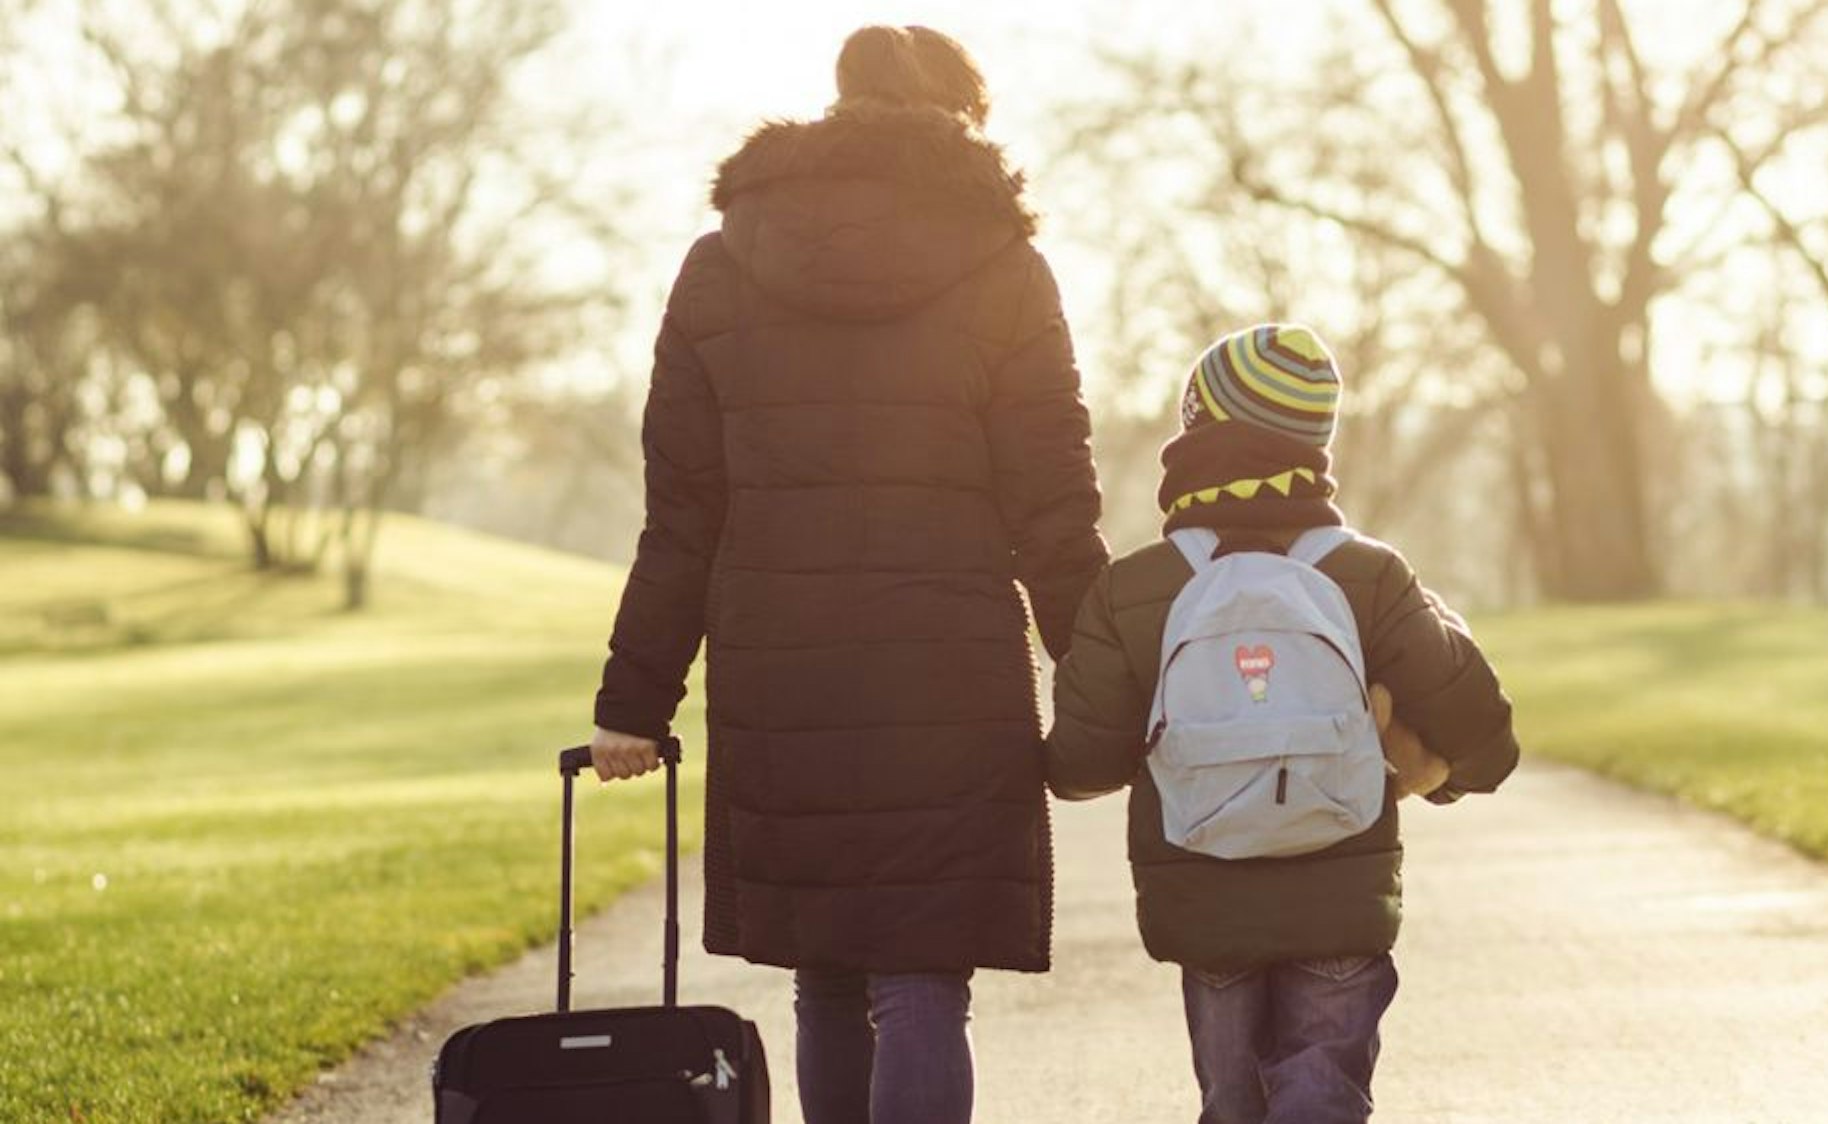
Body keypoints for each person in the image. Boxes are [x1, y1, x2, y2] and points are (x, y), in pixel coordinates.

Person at [586, 24, 1108, 1124]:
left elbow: (681, 511)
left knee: (825, 970)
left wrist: (632, 702)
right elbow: (1050, 504)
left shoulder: (720, 264)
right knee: (921, 976)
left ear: (838, 108)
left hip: (784, 673)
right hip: (947, 672)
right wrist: (1107, 673)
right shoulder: (1005, 269)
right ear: (960, 117)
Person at [1044, 324, 1519, 1124]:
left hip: (1202, 896)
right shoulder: (1367, 574)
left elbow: (1081, 764)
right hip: (1340, 890)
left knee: (1231, 1102)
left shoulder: (1136, 589)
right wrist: (1433, 777)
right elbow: (1484, 738)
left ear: (1196, 434)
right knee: (1323, 1088)